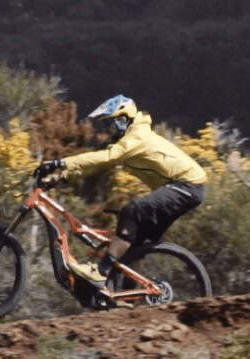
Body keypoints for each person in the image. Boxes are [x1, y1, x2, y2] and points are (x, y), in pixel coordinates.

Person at [33, 95, 207, 285]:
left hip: (189, 185)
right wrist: (62, 177)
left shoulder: (137, 136)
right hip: (182, 187)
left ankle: (100, 271)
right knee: (134, 245)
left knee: (132, 211)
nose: (108, 130)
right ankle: (128, 296)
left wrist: (61, 162)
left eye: (111, 124)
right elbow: (99, 165)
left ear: (124, 119)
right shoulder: (127, 141)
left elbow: (107, 157)